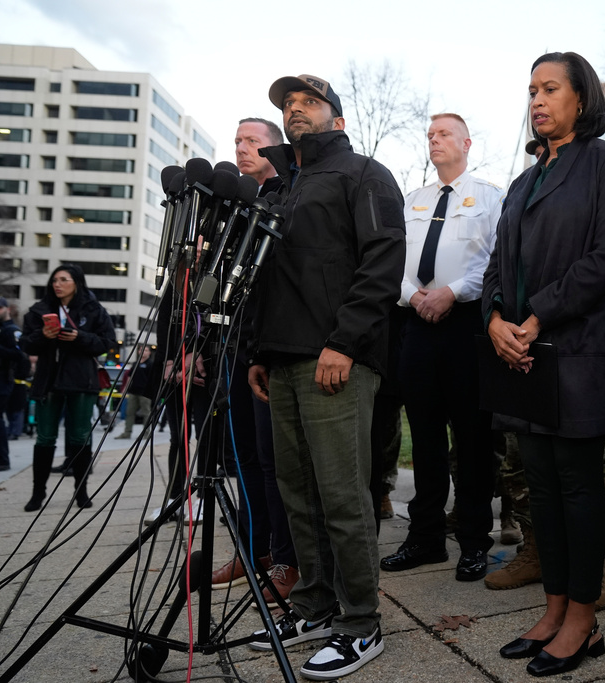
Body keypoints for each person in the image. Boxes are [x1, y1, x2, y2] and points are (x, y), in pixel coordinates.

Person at [483, 51, 605, 677]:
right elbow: (497, 264)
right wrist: (494, 318)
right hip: (523, 354)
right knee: (541, 486)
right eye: (531, 90)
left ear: (581, 98)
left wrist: (538, 316)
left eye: (550, 88)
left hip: (580, 351)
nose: (537, 100)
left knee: (577, 488)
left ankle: (583, 620)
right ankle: (551, 610)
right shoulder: (522, 182)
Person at [246, 74, 405, 680]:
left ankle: (361, 623)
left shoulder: (365, 174)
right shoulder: (279, 186)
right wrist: (258, 351)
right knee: (298, 494)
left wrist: (344, 341)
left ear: (336, 117)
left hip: (336, 358)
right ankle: (313, 606)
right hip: (281, 360)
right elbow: (268, 278)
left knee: (342, 494)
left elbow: (384, 259)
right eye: (288, 104)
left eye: (308, 102)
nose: (294, 110)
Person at [380, 113, 503, 581]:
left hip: (467, 325)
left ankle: (474, 541)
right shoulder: (412, 201)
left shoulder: (491, 198)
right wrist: (413, 296)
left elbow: (496, 261)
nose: (434, 140)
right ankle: (425, 538)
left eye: (444, 133)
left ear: (467, 142)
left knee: (472, 441)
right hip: (417, 325)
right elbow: (392, 260)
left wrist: (451, 292)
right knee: (426, 439)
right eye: (429, 135)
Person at [209, 116, 298, 609]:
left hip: (271, 346)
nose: (242, 149)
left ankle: (285, 558)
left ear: (276, 147)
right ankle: (252, 549)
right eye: (237, 141)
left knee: (272, 460)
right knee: (241, 457)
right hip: (233, 344)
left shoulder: (290, 195)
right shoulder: (237, 203)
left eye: (253, 141)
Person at [21, 265, 116, 511]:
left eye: (64, 279)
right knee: (45, 438)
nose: (57, 284)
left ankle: (81, 491)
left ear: (77, 283)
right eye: (54, 280)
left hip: (81, 382)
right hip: (49, 382)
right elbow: (26, 344)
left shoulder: (93, 309)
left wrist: (79, 337)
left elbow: (107, 342)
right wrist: (43, 334)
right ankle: (37, 493)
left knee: (80, 437)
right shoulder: (39, 310)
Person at [0, 297, 24, 471]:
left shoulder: (12, 330)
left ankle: (2, 459)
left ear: (6, 309)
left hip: (3, 380)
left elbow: (19, 355)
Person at [115, 345, 152, 440]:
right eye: (141, 349)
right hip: (133, 392)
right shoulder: (135, 364)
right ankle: (127, 432)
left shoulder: (150, 364)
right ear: (139, 351)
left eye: (146, 350)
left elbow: (153, 379)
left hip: (145, 393)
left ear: (149, 353)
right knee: (129, 412)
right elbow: (129, 377)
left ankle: (146, 433)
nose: (143, 351)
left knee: (146, 413)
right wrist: (125, 389)